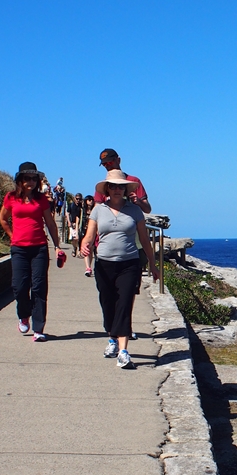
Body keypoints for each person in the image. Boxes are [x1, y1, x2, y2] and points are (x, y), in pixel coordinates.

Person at [80, 170, 158, 368]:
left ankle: (124, 351)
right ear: (107, 189)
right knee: (108, 304)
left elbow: (145, 240)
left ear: (125, 189)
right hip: (104, 264)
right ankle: (112, 339)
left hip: (129, 263)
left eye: (120, 186)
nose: (117, 189)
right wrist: (84, 244)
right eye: (113, 186)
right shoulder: (98, 210)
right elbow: (90, 235)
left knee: (124, 304)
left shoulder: (134, 210)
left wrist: (152, 264)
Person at [0, 161, 65, 342]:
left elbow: (50, 224)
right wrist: (12, 236)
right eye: (27, 178)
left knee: (38, 287)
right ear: (20, 180)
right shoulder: (11, 197)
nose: (31, 182)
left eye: (34, 178)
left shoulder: (41, 199)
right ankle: (23, 315)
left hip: (39, 248)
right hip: (19, 248)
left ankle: (38, 328)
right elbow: (3, 218)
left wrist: (57, 245)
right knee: (19, 287)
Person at [94, 148, 151, 214]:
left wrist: (138, 202)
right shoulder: (103, 185)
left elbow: (147, 210)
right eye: (104, 164)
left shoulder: (133, 181)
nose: (108, 166)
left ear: (118, 160)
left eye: (110, 162)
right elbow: (96, 210)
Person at [82, 195, 95, 276]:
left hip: (93, 232)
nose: (90, 201)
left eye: (91, 200)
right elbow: (78, 220)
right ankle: (88, 267)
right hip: (84, 231)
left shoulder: (95, 210)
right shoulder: (82, 210)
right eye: (88, 200)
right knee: (86, 249)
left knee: (91, 249)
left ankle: (89, 266)